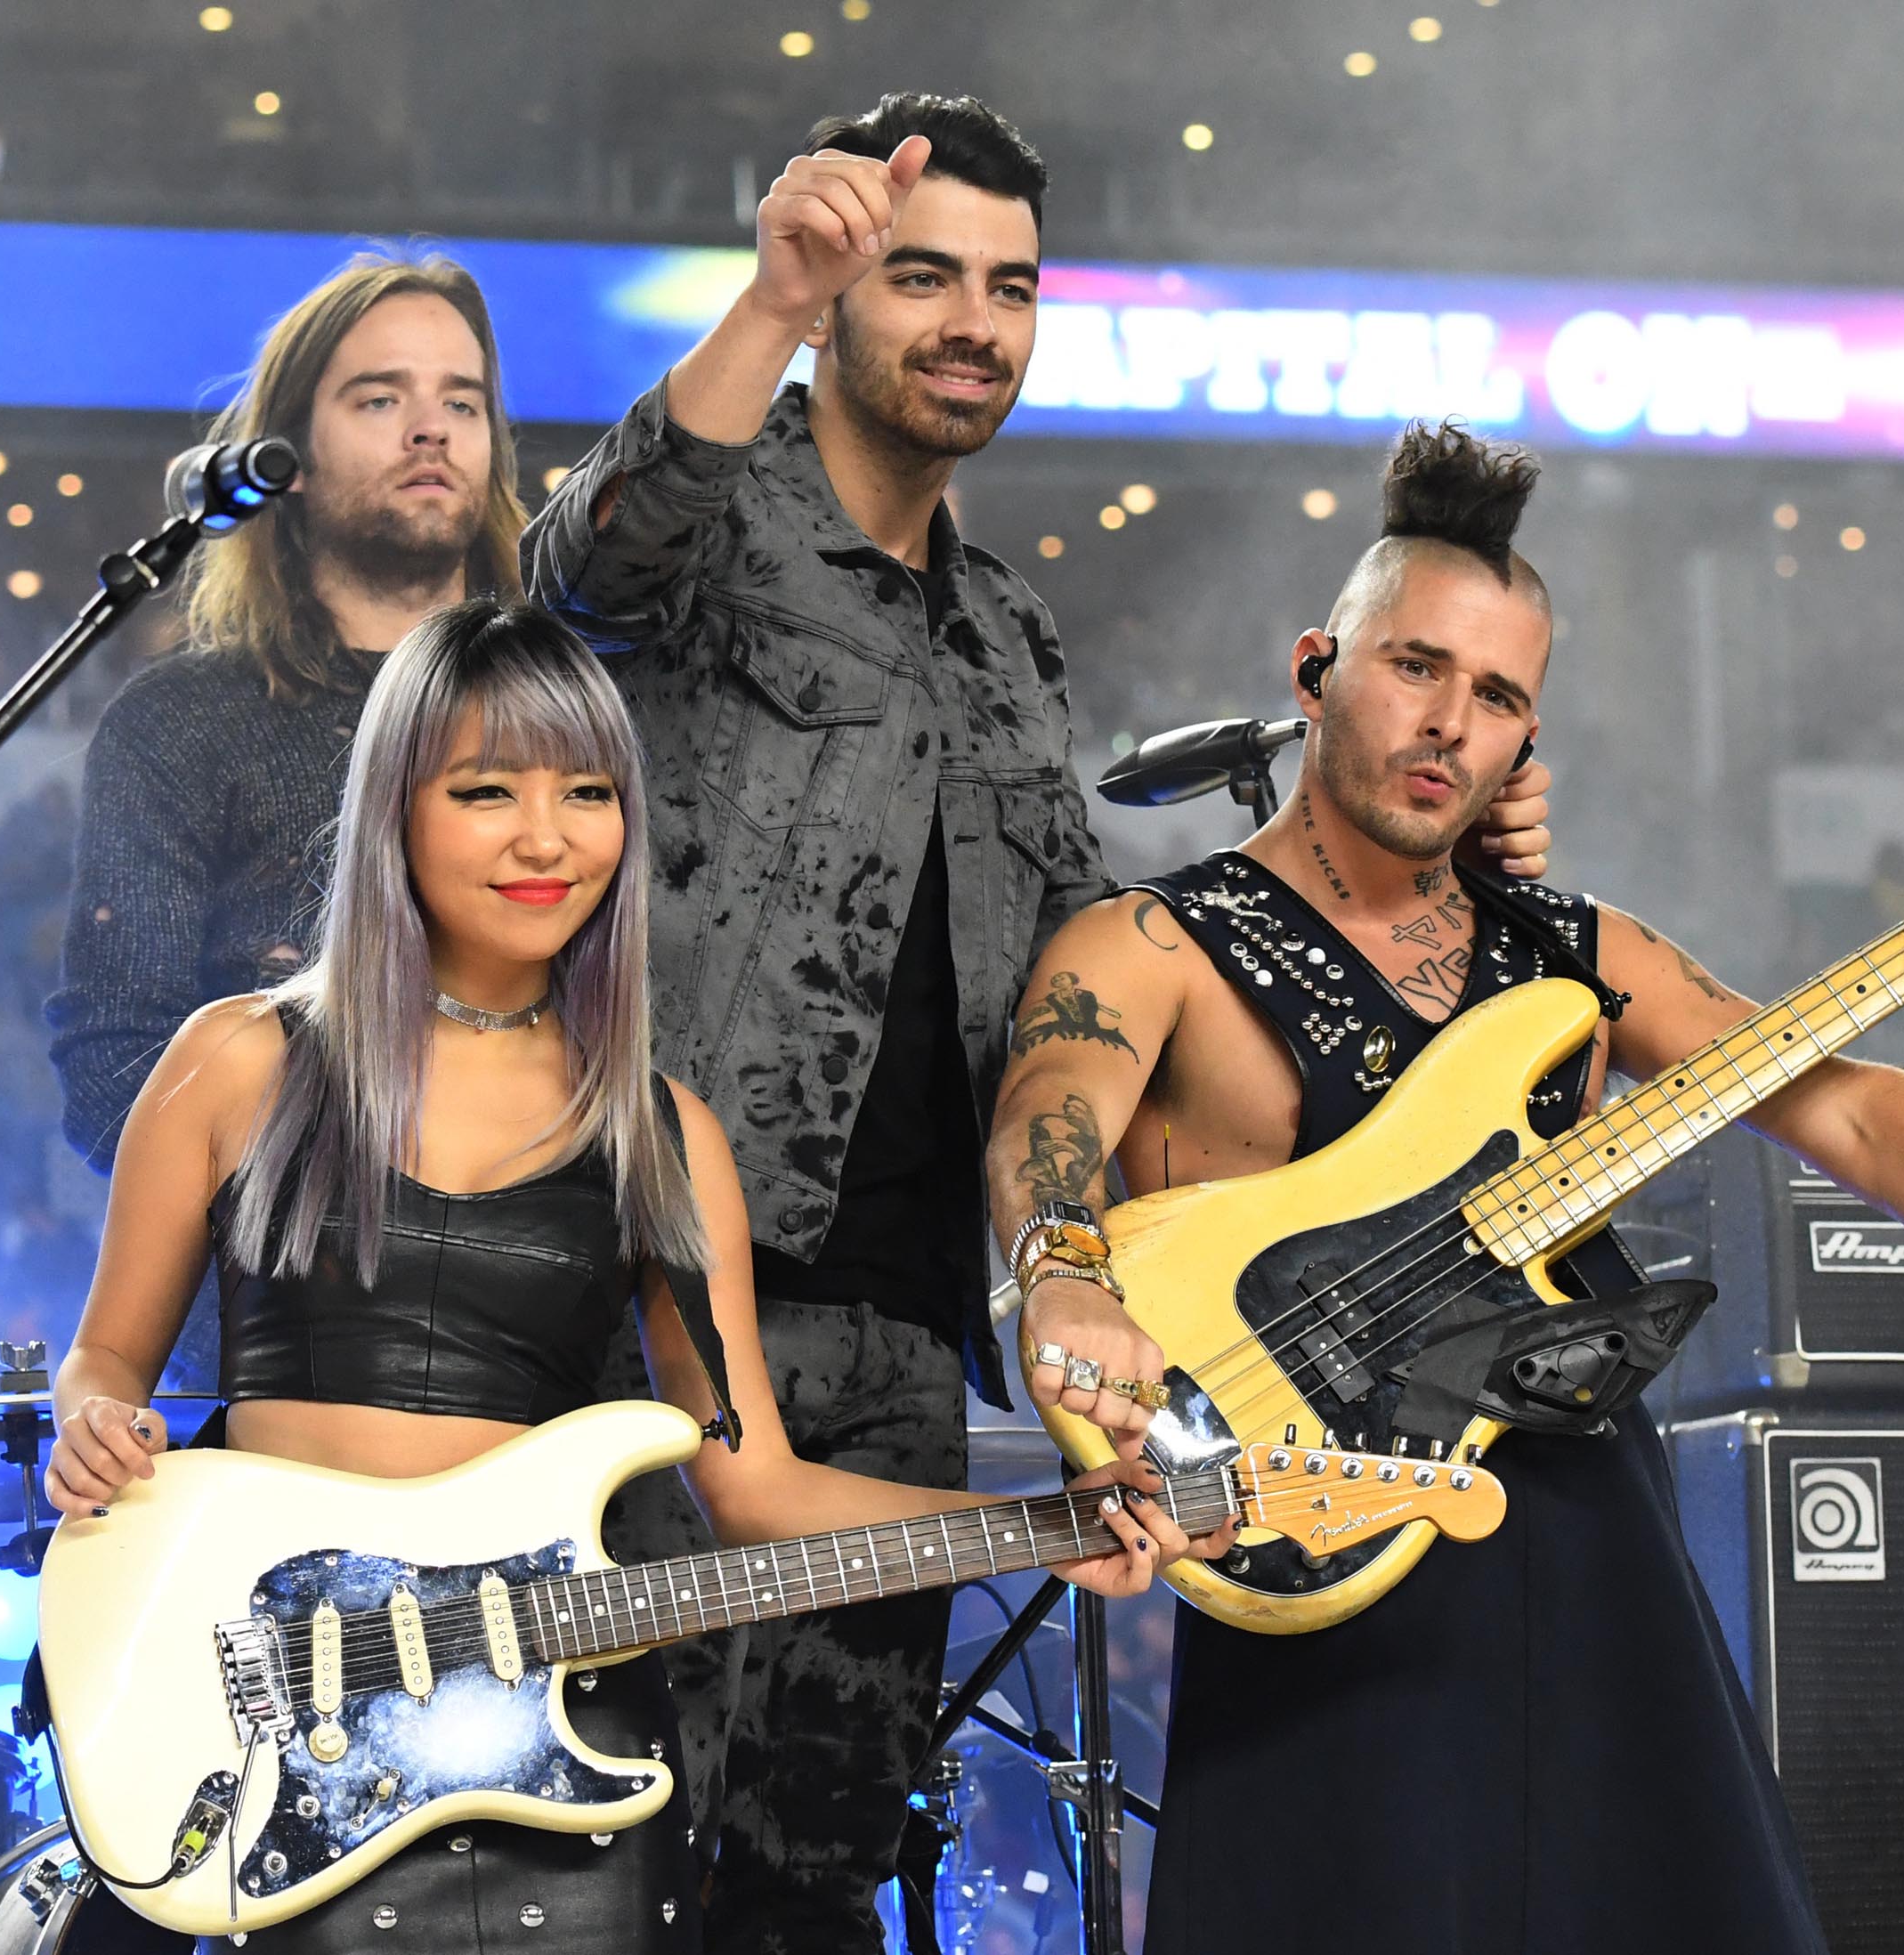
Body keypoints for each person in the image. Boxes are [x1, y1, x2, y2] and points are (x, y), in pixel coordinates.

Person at [984, 421, 1904, 1954]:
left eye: (1499, 698)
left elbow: (1853, 1107)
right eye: (1415, 667)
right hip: (1322, 1564)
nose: (1449, 724)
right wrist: (1064, 1271)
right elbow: (1047, 1115)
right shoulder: (1147, 944)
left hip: (1592, 1556)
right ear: (1316, 667)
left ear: (1527, 740)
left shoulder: (1579, 955)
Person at [522, 92, 1553, 1952]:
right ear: (842, 303)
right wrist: (765, 301)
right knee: (589, 1855)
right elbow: (575, 578)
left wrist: (1386, 843)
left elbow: (1077, 966)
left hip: (913, 1336)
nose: (972, 323)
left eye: (1009, 286)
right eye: (920, 278)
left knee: (817, 1872)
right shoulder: (714, 525)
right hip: (654, 1299)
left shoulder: (1003, 628)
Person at [40, 599, 1190, 1955]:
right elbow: (105, 1358)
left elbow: (752, 1485)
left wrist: (1051, 1527)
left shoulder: (660, 1134)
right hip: (263, 1721)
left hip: (544, 1764)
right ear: (395, 808)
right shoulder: (237, 1061)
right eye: (486, 791)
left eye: (587, 792)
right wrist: (92, 1418)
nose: (547, 839)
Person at [46, 254, 526, 1393]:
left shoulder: (562, 707)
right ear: (287, 462)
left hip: (554, 1349)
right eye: (380, 398)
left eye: (462, 402)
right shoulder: (183, 723)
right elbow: (119, 1059)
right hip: (283, 1354)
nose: (430, 430)